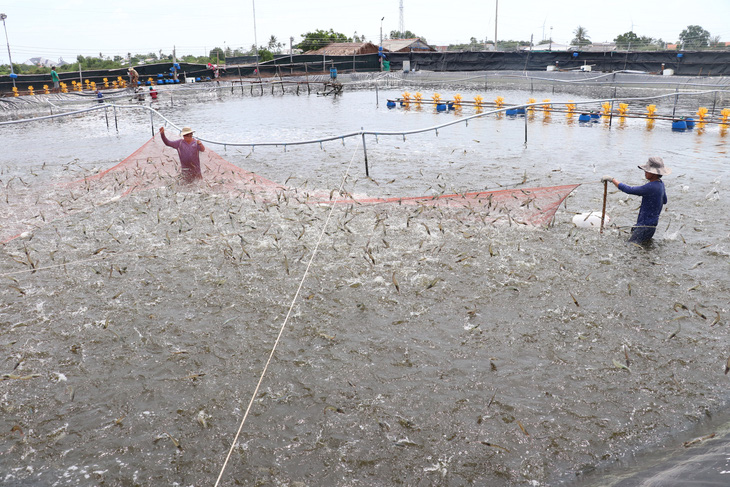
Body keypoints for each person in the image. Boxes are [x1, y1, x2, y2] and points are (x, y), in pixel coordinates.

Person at [602, 156, 671, 245]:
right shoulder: (660, 184)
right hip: (651, 226)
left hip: (644, 227)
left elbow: (629, 190)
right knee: (642, 246)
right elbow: (664, 200)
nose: (645, 172)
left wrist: (612, 180)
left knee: (630, 246)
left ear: (653, 173)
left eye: (647, 170)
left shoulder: (651, 187)